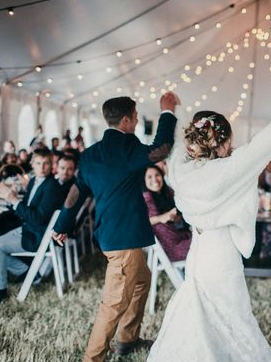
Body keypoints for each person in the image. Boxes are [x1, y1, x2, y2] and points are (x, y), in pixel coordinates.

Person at [147, 92, 271, 361]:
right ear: (223, 141)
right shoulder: (230, 169)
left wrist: (172, 111)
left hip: (198, 251)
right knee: (233, 316)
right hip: (221, 253)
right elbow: (267, 142)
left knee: (196, 311)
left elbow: (177, 142)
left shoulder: (179, 168)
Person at [52, 93, 178, 362]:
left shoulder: (90, 154)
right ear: (125, 120)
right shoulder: (126, 148)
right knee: (113, 304)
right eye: (134, 117)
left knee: (141, 282)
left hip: (115, 235)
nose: (135, 121)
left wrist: (63, 223)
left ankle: (127, 340)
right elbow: (162, 149)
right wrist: (167, 112)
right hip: (123, 240)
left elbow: (77, 191)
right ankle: (93, 358)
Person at [0, 149, 66, 307]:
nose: (42, 167)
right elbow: (26, 210)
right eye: (38, 163)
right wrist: (11, 199)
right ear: (32, 164)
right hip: (27, 228)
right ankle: (26, 271)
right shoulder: (34, 181)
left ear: (51, 165)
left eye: (46, 163)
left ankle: (0, 291)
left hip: (37, 235)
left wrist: (14, 200)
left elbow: (38, 219)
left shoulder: (52, 187)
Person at [142, 165, 191, 261]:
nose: (155, 179)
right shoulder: (146, 198)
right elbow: (141, 223)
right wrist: (161, 218)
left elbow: (180, 215)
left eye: (157, 175)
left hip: (182, 237)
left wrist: (176, 218)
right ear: (144, 181)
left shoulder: (168, 192)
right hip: (173, 249)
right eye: (149, 177)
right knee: (206, 243)